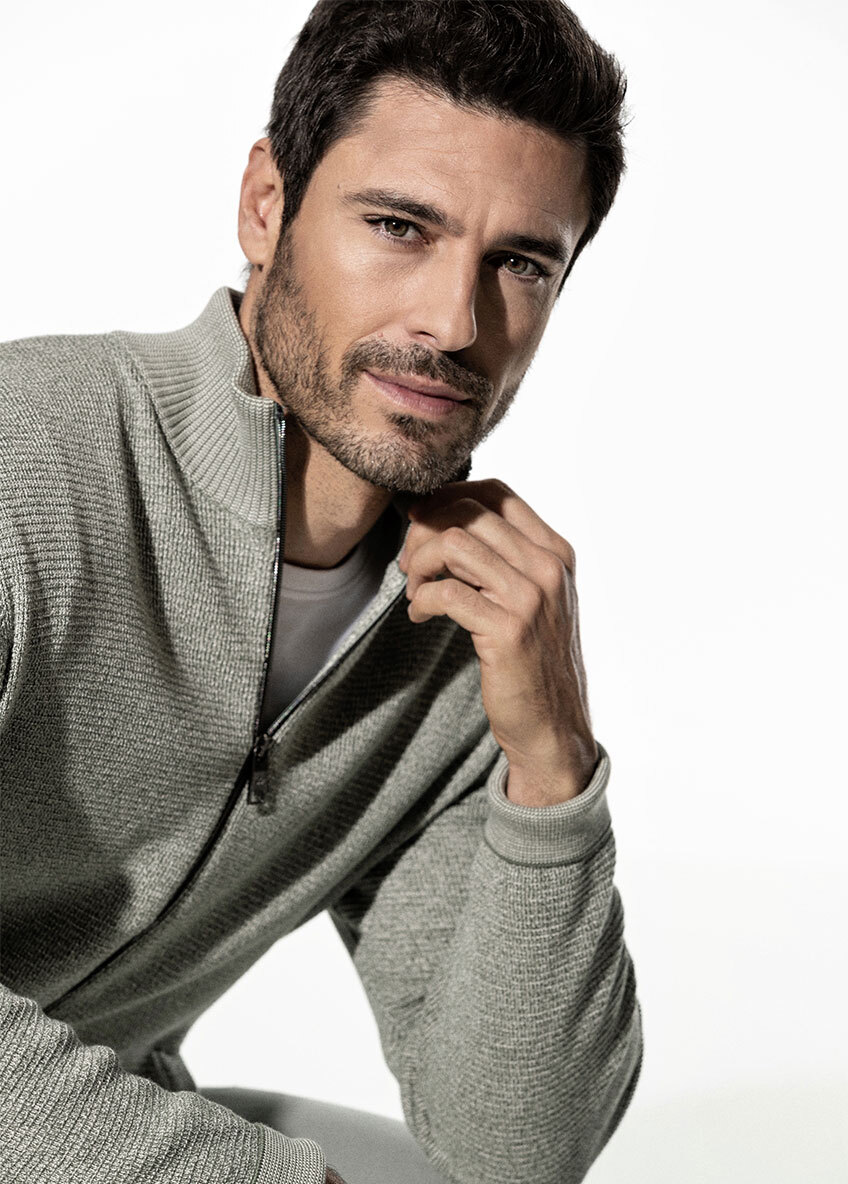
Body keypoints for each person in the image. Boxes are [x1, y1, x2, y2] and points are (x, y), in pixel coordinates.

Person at [0, 1, 642, 1182]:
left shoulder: (462, 637)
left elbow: (517, 1147)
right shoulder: (26, 462)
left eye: (518, 263)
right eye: (398, 226)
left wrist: (550, 768)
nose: (452, 321)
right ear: (266, 203)